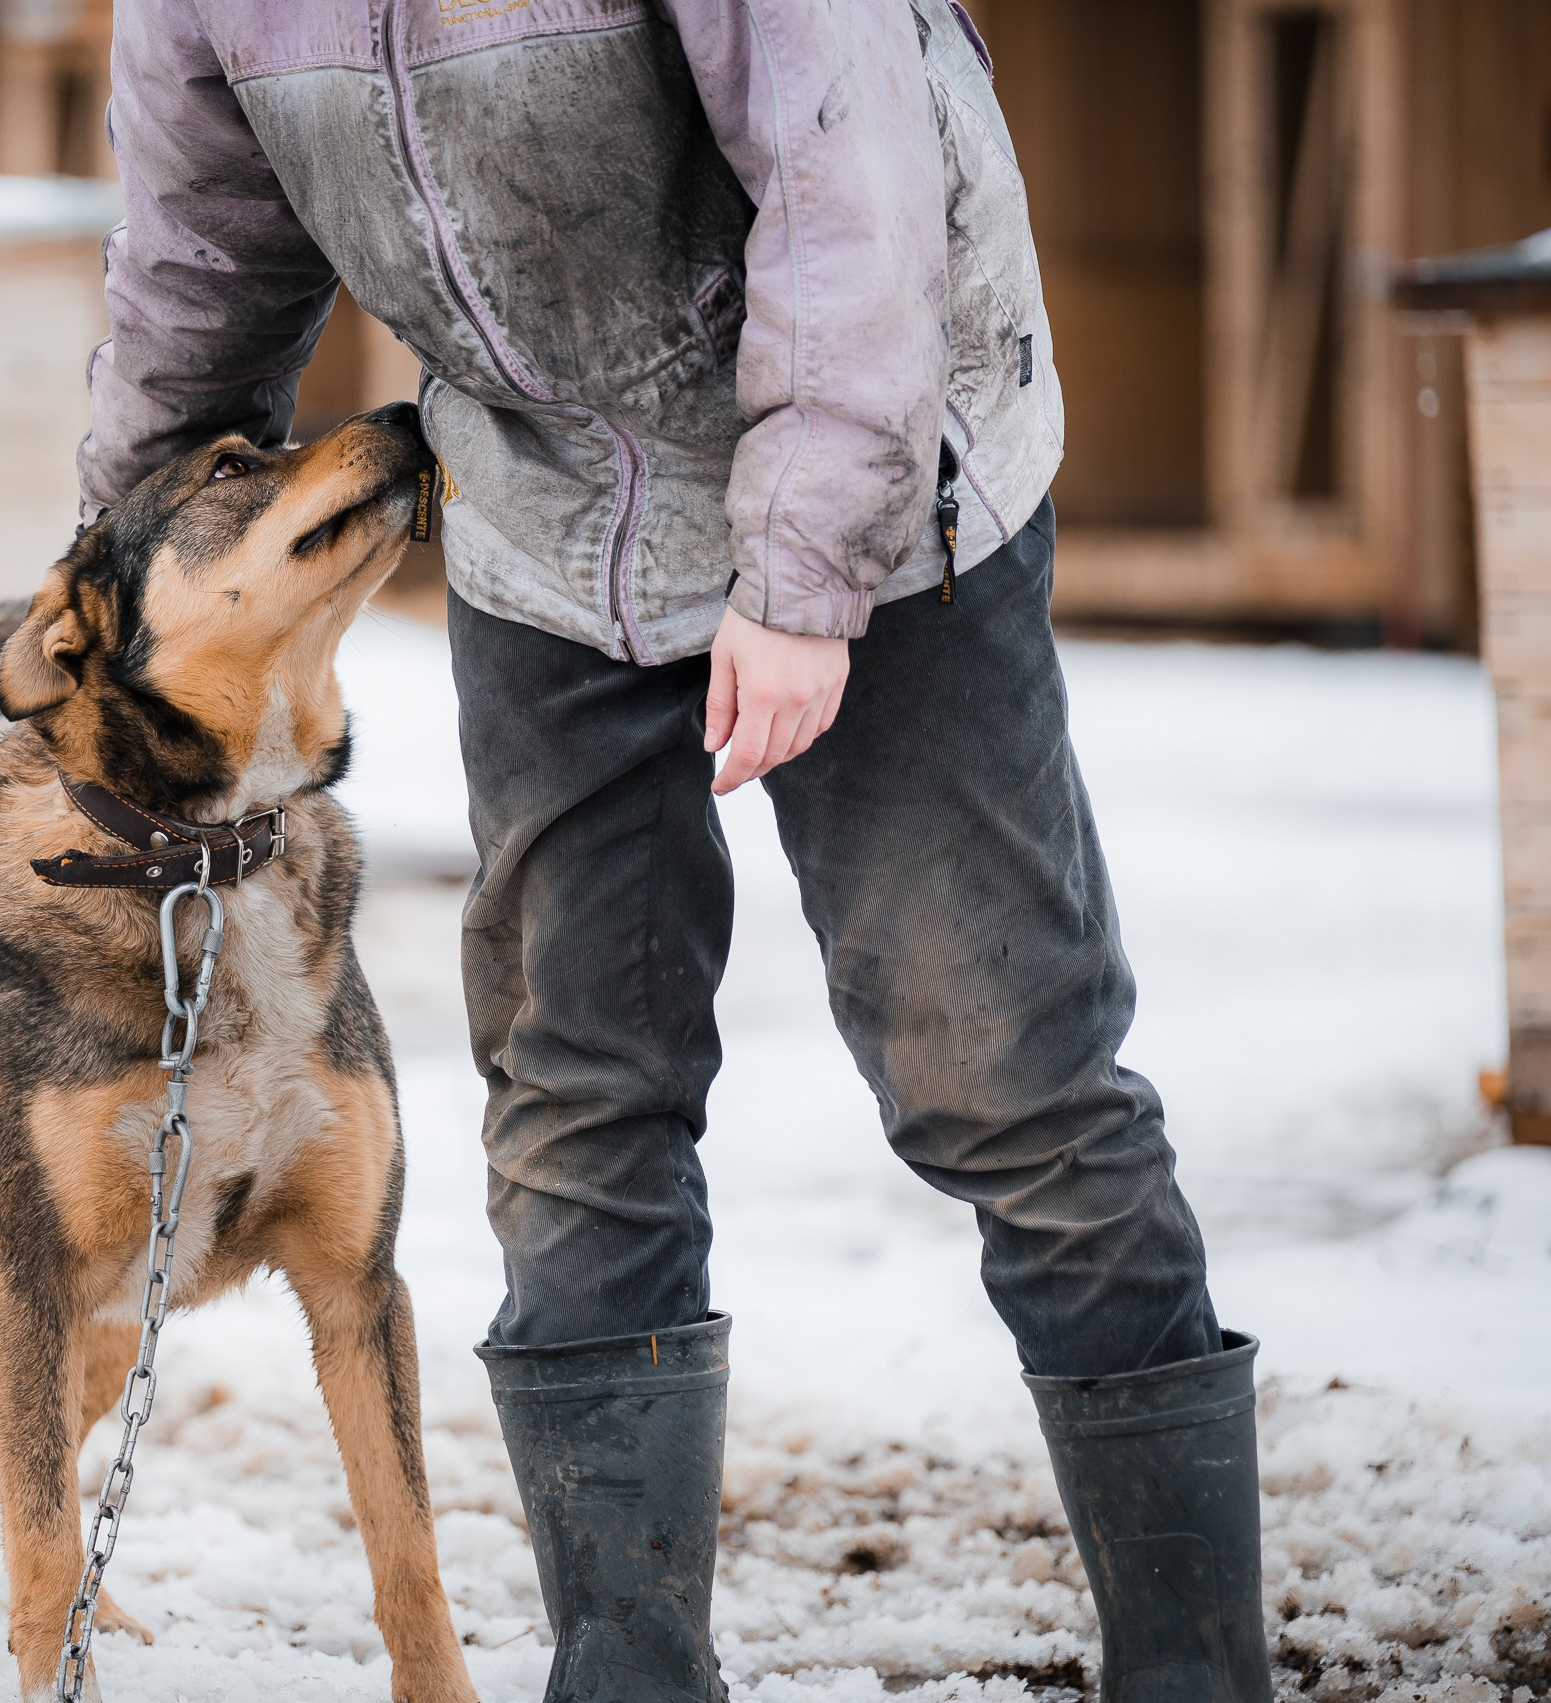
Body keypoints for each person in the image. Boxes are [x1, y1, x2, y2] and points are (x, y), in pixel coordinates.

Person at [75, 3, 1273, 1699]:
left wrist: (803, 575)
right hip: (546, 514)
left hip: (874, 459)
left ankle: (1197, 1674)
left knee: (1001, 1073)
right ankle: (628, 1676)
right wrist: (118, 630)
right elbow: (203, 265)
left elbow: (849, 180)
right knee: (577, 1097)